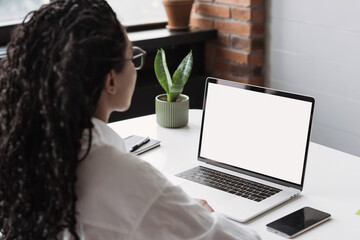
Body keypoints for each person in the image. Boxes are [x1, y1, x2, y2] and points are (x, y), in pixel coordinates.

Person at [0, 0, 261, 239]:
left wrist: (172, 208)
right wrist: (199, 215)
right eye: (132, 57)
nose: (135, 66)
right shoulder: (119, 174)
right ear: (110, 80)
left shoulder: (31, 150)